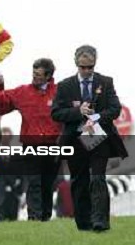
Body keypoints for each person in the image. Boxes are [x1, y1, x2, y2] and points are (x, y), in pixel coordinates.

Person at [51, 45, 128, 232]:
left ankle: (100, 221)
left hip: (99, 138)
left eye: (90, 67)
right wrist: (79, 112)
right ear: (76, 64)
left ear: (95, 64)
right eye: (83, 67)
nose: (86, 71)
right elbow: (56, 113)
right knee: (79, 180)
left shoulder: (106, 82)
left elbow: (114, 109)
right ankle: (83, 223)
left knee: (98, 178)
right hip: (75, 140)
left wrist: (95, 118)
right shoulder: (64, 86)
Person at [0, 58, 62, 221]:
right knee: (34, 182)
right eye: (33, 73)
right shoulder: (23, 92)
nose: (34, 77)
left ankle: (46, 216)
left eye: (38, 75)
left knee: (48, 184)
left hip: (53, 146)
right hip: (31, 146)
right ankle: (34, 217)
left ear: (48, 76)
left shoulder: (60, 92)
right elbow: (2, 98)